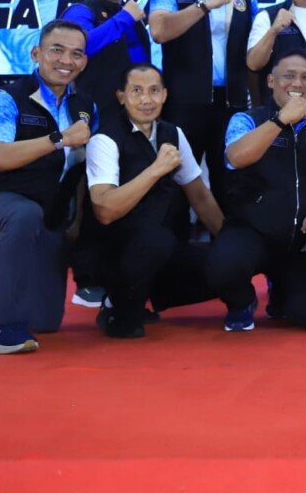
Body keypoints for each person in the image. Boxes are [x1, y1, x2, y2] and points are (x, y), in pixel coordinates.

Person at [0, 20, 94, 354]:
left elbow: (81, 170)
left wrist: (77, 220)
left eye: (76, 54)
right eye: (57, 50)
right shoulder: (7, 98)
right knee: (24, 214)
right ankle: (2, 329)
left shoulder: (85, 107)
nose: (66, 60)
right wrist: (59, 138)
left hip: (49, 214)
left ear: (84, 62)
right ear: (36, 53)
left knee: (45, 320)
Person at [85, 64, 224, 338]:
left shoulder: (173, 134)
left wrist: (230, 241)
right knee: (155, 241)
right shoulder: (104, 140)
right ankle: (117, 306)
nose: (146, 100)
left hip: (162, 247)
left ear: (165, 95)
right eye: (136, 91)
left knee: (228, 262)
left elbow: (200, 196)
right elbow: (105, 210)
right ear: (121, 96)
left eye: (153, 91)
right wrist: (156, 169)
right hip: (114, 250)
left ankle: (149, 295)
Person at [205, 51, 306, 332]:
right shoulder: (246, 119)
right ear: (270, 81)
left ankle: (281, 294)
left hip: (297, 244)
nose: (298, 83)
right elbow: (236, 157)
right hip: (250, 233)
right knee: (223, 266)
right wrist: (280, 121)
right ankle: (242, 302)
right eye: (289, 76)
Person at [60, 0, 151, 309]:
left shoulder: (131, 13)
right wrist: (126, 18)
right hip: (97, 118)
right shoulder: (81, 11)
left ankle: (120, 280)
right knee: (92, 196)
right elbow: (82, 48)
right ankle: (87, 279)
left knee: (127, 198)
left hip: (132, 118)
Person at [147, 0, 257, 204]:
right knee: (175, 181)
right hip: (183, 102)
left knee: (231, 182)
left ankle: (227, 232)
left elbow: (254, 53)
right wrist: (205, 4)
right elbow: (159, 31)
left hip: (232, 104)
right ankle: (175, 233)